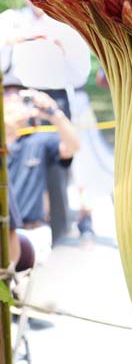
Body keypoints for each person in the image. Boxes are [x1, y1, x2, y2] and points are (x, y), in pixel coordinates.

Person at [0, 0, 91, 241]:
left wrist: (59, 46)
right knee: (19, 160)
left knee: (61, 158)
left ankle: (61, 224)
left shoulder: (68, 21)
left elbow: (78, 74)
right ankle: (22, 223)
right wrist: (12, 42)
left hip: (55, 100)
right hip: (19, 98)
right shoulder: (10, 20)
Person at [4, 87, 80, 262]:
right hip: (4, 234)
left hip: (32, 232)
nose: (15, 101)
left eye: (19, 96)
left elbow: (73, 147)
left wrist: (54, 114)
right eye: (7, 95)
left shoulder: (38, 141)